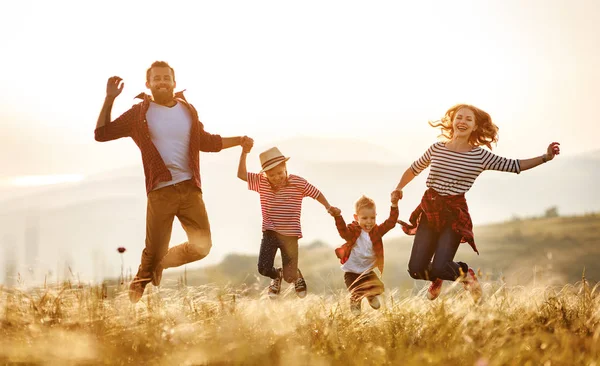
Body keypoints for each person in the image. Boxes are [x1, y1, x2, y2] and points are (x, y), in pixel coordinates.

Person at [95, 61, 253, 303]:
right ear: (148, 84)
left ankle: (158, 264)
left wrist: (239, 140)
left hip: (190, 189)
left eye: (166, 78)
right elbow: (102, 134)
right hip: (161, 192)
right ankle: (139, 287)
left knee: (202, 247)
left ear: (174, 83)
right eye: (156, 78)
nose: (161, 82)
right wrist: (109, 99)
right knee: (152, 254)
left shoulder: (187, 110)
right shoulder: (139, 114)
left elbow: (206, 142)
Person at [394, 104, 560, 302]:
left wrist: (545, 157)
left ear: (474, 127)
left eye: (468, 119)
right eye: (459, 117)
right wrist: (399, 188)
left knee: (440, 265)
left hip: (454, 216)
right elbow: (414, 169)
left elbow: (514, 165)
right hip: (430, 211)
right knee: (416, 270)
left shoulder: (479, 156)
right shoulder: (437, 148)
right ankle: (438, 277)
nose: (462, 122)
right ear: (452, 121)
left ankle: (466, 274)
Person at [237, 143, 336, 298]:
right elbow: (241, 175)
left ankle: (294, 274)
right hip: (270, 232)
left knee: (290, 278)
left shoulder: (298, 183)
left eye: (280, 173)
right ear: (265, 175)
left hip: (290, 235)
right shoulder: (261, 182)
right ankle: (276, 276)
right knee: (263, 268)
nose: (276, 177)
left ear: (285, 168)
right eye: (272, 175)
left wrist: (328, 207)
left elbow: (316, 193)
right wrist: (244, 152)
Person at [329, 192, 401, 316]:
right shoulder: (353, 231)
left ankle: (371, 296)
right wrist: (338, 216)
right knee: (357, 291)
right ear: (356, 217)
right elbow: (343, 232)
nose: (369, 222)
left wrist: (394, 205)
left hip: (367, 271)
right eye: (364, 218)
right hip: (351, 272)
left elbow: (391, 223)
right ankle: (355, 301)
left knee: (379, 288)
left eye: (372, 218)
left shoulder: (376, 231)